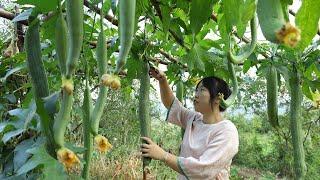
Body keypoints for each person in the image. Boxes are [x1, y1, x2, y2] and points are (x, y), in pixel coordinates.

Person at [140, 67, 239, 180]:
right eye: (196, 90)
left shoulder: (227, 131)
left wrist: (164, 155)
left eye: (202, 90)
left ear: (218, 98)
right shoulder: (194, 119)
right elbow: (172, 105)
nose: (196, 95)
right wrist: (162, 81)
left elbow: (202, 170)